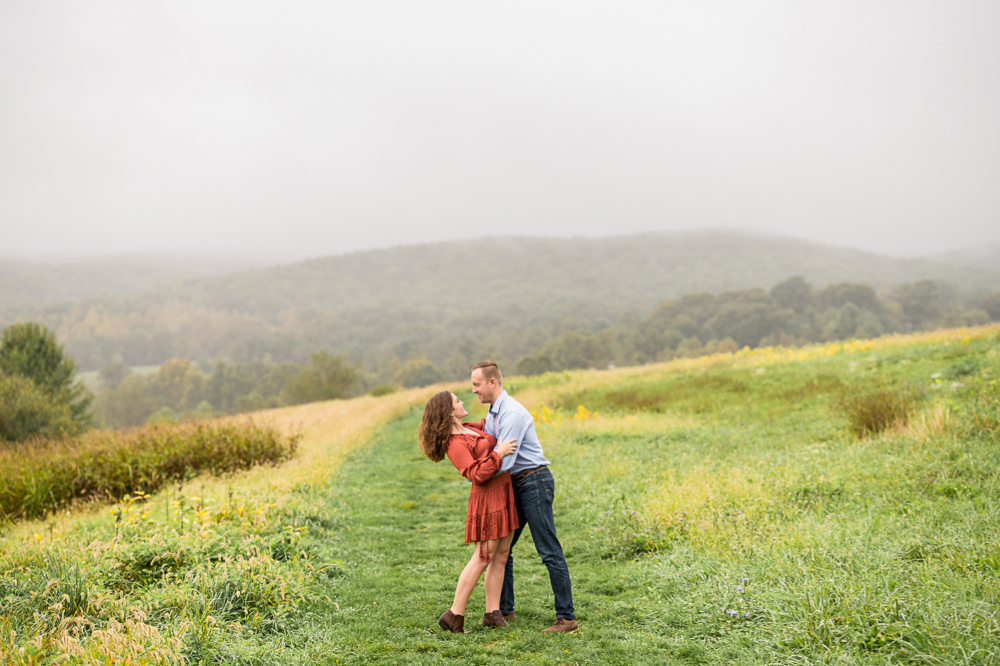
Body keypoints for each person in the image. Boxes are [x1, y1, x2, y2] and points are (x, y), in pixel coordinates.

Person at [471, 360, 578, 633]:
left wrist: (480, 475)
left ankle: (567, 619)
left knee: (548, 551)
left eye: (476, 384)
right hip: (514, 486)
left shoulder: (512, 414)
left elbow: (505, 462)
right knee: (500, 550)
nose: (473, 390)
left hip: (533, 482)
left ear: (492, 382)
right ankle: (503, 610)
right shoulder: (494, 412)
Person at [418, 390, 520, 634]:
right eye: (456, 401)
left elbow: (492, 423)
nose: (462, 401)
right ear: (448, 411)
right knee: (482, 557)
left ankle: (493, 613)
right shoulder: (454, 444)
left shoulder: (468, 428)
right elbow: (475, 473)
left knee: (502, 554)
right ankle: (454, 614)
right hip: (487, 499)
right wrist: (498, 454)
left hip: (503, 491)